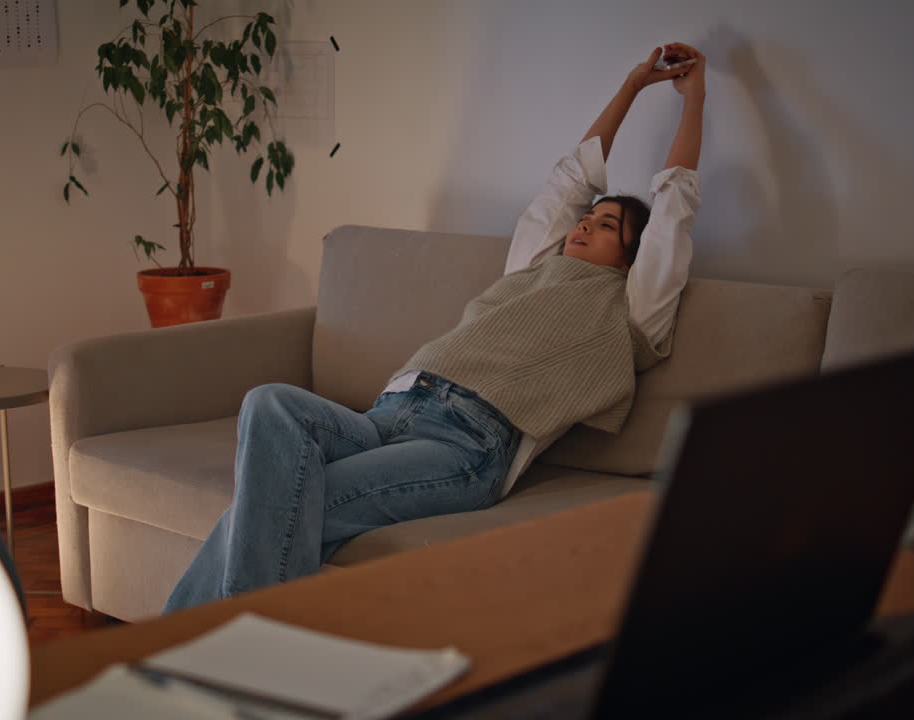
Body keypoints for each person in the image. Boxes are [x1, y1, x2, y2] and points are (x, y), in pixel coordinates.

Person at [163, 42, 706, 612]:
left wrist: (692, 96)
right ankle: (225, 651)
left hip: (464, 445)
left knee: (275, 504)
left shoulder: (629, 310)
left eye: (606, 226)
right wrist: (629, 87)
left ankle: (191, 655)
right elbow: (571, 180)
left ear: (630, 256)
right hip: (384, 416)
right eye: (587, 219)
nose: (584, 226)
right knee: (268, 403)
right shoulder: (532, 267)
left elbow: (674, 210)